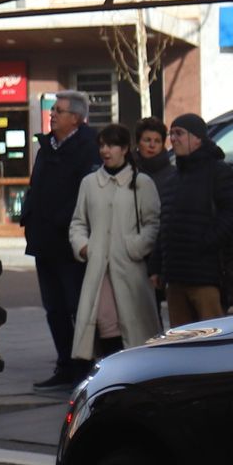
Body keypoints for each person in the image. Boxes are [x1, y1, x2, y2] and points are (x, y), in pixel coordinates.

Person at [18, 90, 102, 391]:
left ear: (77, 118)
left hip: (71, 245)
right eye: (53, 109)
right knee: (53, 308)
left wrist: (62, 222)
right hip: (44, 242)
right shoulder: (47, 147)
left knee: (77, 306)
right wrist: (28, 214)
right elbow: (35, 186)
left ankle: (85, 366)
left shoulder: (89, 149)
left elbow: (85, 195)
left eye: (60, 111)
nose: (52, 114)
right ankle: (64, 364)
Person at [68, 125, 162, 363]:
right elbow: (78, 222)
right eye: (101, 145)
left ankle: (136, 375)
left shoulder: (141, 183)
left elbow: (153, 223)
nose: (105, 151)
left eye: (111, 145)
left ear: (125, 149)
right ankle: (112, 372)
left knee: (134, 325)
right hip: (98, 267)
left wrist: (136, 247)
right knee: (104, 322)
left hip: (131, 268)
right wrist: (84, 247)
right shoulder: (89, 183)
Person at [156, 113, 233, 327]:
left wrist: (204, 241)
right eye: (171, 134)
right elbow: (166, 225)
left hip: (207, 275)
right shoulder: (173, 179)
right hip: (176, 278)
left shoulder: (219, 172)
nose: (174, 139)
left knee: (211, 340)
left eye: (179, 133)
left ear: (198, 138)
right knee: (182, 344)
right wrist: (157, 266)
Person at [134, 117, 176, 294]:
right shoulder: (128, 171)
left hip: (158, 249)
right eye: (147, 140)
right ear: (138, 143)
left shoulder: (172, 175)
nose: (152, 145)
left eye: (157, 141)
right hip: (131, 249)